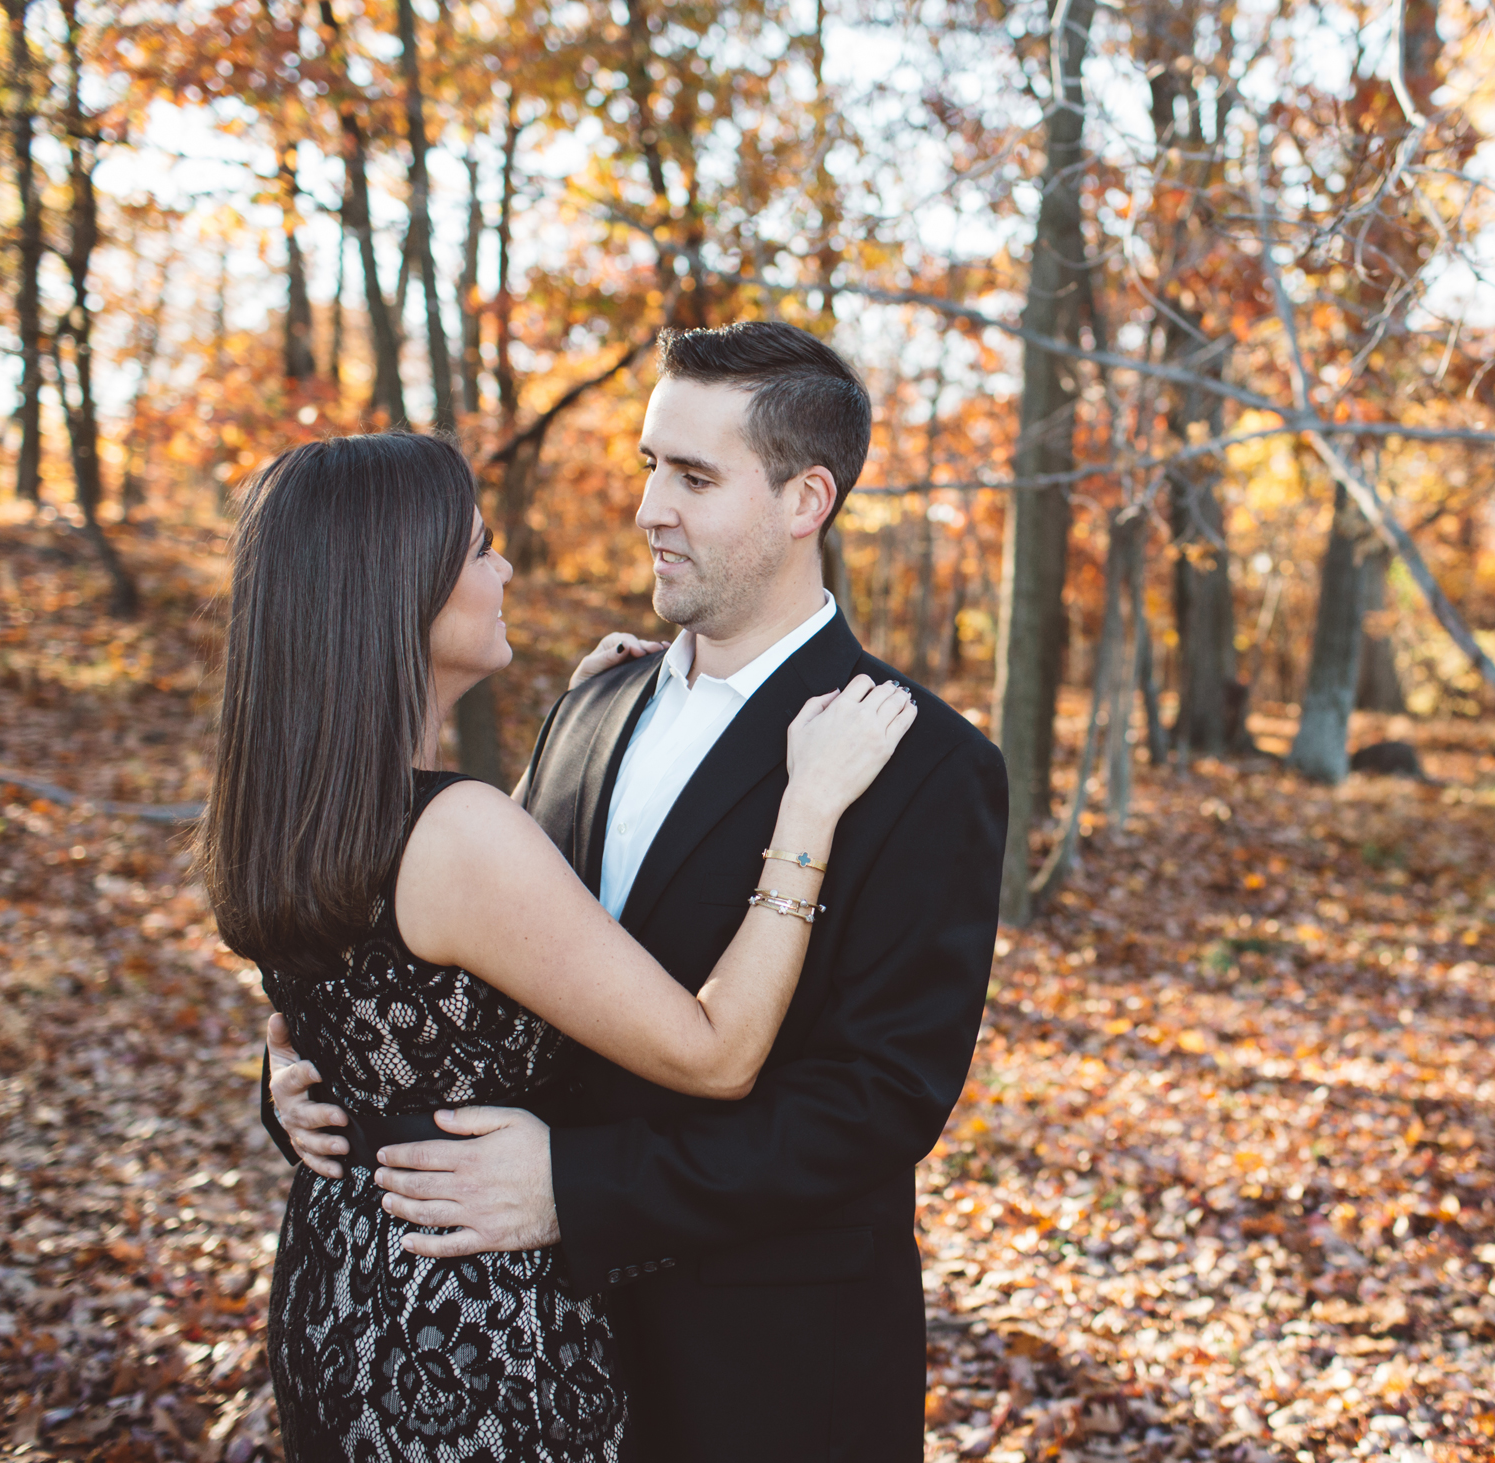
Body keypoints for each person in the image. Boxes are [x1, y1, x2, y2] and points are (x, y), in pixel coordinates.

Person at [266, 321, 1010, 1461]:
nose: (650, 507)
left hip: (763, 1368)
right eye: (650, 465)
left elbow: (875, 1105)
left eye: (695, 477)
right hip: (514, 1347)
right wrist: (315, 1066)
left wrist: (580, 1184)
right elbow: (452, 966)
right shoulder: (589, 704)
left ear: (806, 498)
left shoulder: (923, 762)